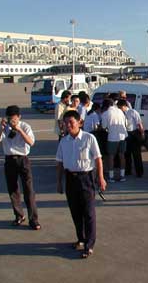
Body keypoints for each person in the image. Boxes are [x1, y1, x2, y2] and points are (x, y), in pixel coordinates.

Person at [56, 110, 107, 259]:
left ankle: (89, 245)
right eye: (65, 123)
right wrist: (59, 182)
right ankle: (81, 238)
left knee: (89, 213)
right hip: (70, 179)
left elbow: (98, 159)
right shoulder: (63, 141)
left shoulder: (89, 138)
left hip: (86, 178)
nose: (68, 125)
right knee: (75, 212)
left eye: (71, 122)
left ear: (80, 122)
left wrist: (101, 178)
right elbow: (59, 162)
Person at [0, 105, 41, 230]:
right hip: (9, 160)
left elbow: (31, 142)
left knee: (28, 190)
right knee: (13, 190)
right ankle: (19, 215)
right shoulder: (4, 127)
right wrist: (2, 129)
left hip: (23, 160)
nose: (11, 122)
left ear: (19, 117)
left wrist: (19, 129)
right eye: (9, 119)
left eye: (14, 119)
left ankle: (33, 219)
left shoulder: (25, 126)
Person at [101, 98, 128, 183]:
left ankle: (111, 176)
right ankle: (122, 175)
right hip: (123, 136)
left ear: (105, 106)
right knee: (122, 155)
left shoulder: (105, 113)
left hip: (112, 137)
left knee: (111, 157)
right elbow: (125, 123)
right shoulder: (120, 111)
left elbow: (104, 126)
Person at [118, 99, 144, 178]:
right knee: (127, 154)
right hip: (126, 134)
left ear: (124, 106)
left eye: (120, 107)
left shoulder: (133, 112)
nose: (120, 109)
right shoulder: (121, 114)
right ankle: (128, 170)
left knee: (136, 154)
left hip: (134, 133)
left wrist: (142, 133)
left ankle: (139, 172)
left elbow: (139, 124)